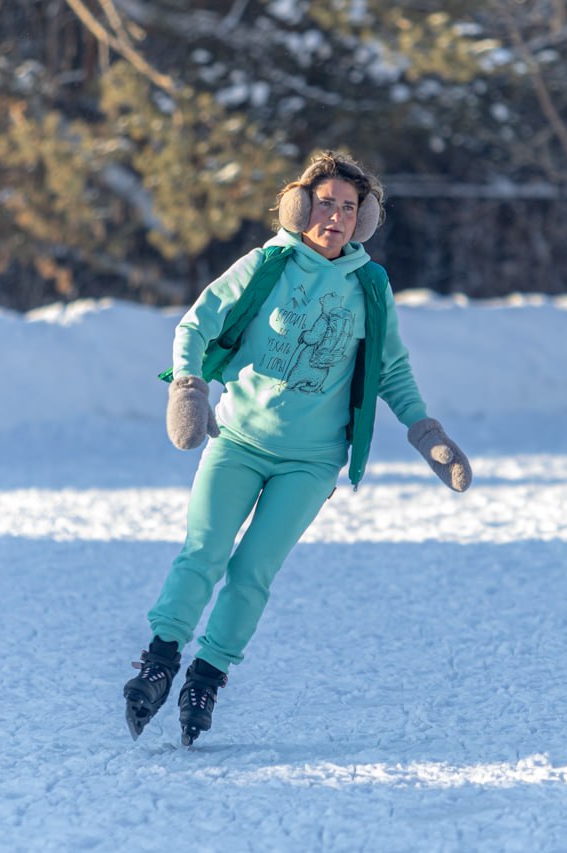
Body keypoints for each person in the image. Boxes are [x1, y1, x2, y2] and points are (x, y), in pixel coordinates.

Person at [123, 150, 472, 746]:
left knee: (252, 572)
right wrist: (188, 386)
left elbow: (390, 369)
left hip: (311, 463)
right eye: (326, 203)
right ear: (299, 206)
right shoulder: (267, 265)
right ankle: (159, 663)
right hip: (238, 441)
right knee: (203, 552)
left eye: (350, 207)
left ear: (363, 219)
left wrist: (427, 433)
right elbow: (195, 325)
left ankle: (205, 679)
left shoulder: (369, 286)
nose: (336, 216)